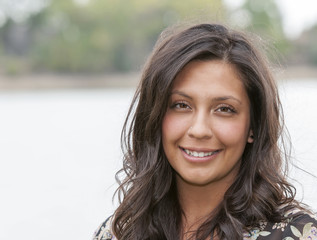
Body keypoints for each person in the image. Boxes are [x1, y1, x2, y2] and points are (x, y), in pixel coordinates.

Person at [93, 23, 317, 240]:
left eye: (224, 109)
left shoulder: (298, 235)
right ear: (154, 117)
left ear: (253, 127)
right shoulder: (117, 233)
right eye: (181, 105)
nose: (199, 130)